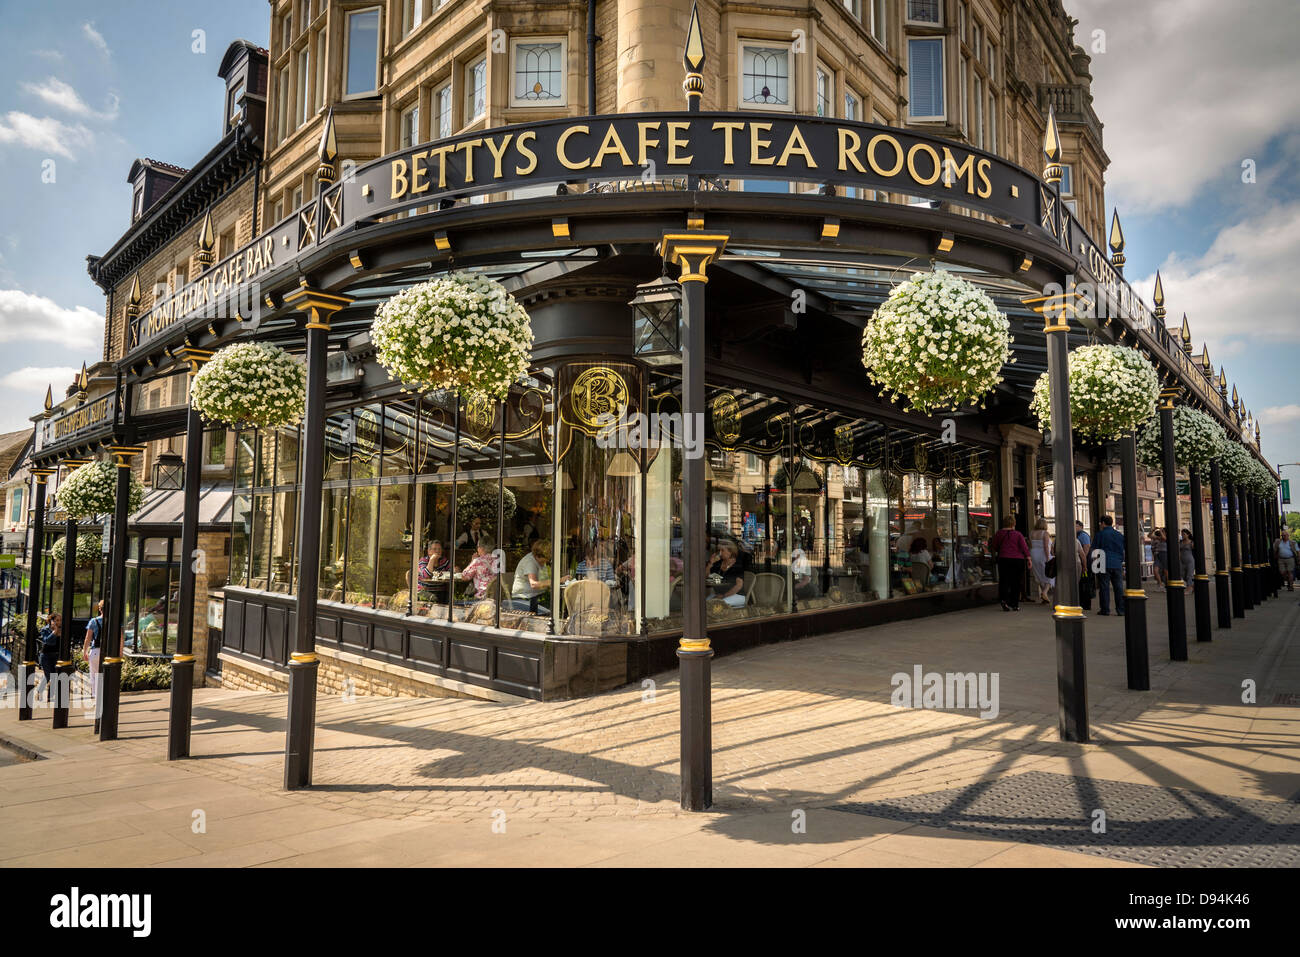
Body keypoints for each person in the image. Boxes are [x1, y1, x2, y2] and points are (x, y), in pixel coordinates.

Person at [990, 516, 1030, 611]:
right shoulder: (1018, 534)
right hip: (1017, 560)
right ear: (1014, 523)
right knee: (1016, 582)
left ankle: (1004, 600)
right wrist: (1029, 559)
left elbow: (994, 546)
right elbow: (1024, 547)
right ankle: (1014, 604)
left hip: (1004, 559)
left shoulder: (999, 534)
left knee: (1004, 581)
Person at [1095, 515, 1126, 615]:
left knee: (1104, 587)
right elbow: (1123, 549)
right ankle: (1120, 610)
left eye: (1101, 523)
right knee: (1119, 587)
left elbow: (1095, 551)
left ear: (1103, 523)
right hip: (1117, 563)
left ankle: (1105, 609)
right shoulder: (1119, 535)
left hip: (1103, 562)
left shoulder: (1100, 534)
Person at [512, 540, 552, 613]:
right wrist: (555, 581)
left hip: (533, 597)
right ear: (538, 555)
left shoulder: (538, 559)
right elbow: (534, 584)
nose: (544, 563)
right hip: (524, 599)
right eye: (543, 561)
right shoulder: (530, 562)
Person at [707, 542, 746, 608]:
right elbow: (707, 577)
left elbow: (739, 585)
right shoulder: (718, 563)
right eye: (719, 550)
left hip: (736, 595)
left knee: (718, 605)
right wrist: (710, 563)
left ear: (730, 552)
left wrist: (723, 596)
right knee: (705, 603)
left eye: (722, 550)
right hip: (719, 594)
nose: (720, 553)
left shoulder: (737, 565)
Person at [82, 600, 105, 704]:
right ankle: (105, 696)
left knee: (94, 675)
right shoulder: (113, 621)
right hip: (108, 652)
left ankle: (96, 697)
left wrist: (84, 652)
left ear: (100, 609)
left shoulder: (94, 621)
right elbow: (121, 637)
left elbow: (87, 638)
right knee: (106, 674)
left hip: (95, 650)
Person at [1029, 517, 1055, 604]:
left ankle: (1044, 596)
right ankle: (1045, 592)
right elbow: (1045, 547)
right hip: (1043, 555)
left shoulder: (1032, 533)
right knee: (1050, 573)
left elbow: (1030, 545)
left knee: (1038, 574)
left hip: (1034, 554)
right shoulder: (1045, 533)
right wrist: (1048, 558)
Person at [36, 612, 61, 703]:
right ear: (51, 621)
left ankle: (50, 697)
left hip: (56, 655)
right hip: (45, 655)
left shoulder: (62, 630)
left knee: (54, 676)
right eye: (57, 620)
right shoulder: (45, 629)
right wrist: (54, 632)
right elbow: (47, 641)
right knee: (48, 675)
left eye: (60, 620)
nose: (59, 622)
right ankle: (39, 691)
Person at [1076, 520, 1093, 610]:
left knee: (1085, 583)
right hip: (1083, 562)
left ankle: (1085, 603)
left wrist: (1084, 563)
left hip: (1085, 562)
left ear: (1081, 527)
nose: (1074, 528)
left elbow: (1086, 548)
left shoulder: (1083, 535)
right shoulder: (1078, 535)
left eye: (1076, 526)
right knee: (1082, 583)